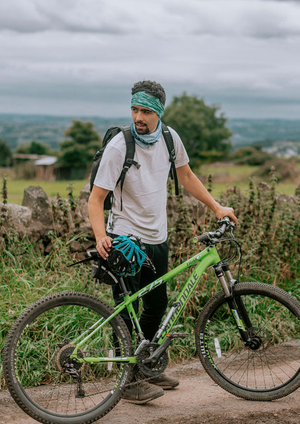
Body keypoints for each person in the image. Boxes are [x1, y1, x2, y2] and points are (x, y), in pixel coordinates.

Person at [88, 80, 238, 404]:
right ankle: (126, 382)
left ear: (159, 111)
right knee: (126, 310)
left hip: (158, 238)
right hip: (125, 239)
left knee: (155, 306)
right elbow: (95, 199)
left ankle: (148, 367)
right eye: (134, 109)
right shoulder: (119, 146)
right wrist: (101, 236)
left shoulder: (170, 139)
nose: (138, 116)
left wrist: (216, 207)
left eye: (145, 110)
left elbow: (186, 176)